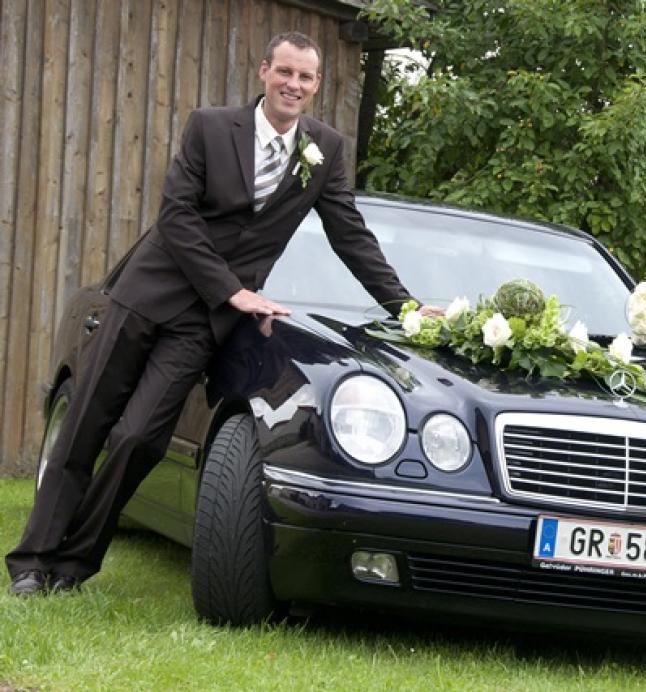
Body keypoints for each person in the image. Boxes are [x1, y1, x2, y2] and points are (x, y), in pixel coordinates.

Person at [6, 31, 439, 596]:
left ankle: (73, 566)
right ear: (264, 72)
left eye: (306, 77)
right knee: (86, 424)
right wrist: (234, 290)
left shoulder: (324, 149)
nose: (295, 84)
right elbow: (177, 216)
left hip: (202, 323)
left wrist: (403, 306)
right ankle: (33, 563)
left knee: (139, 438)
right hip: (148, 295)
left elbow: (349, 236)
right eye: (285, 71)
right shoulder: (210, 126)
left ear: (314, 87)